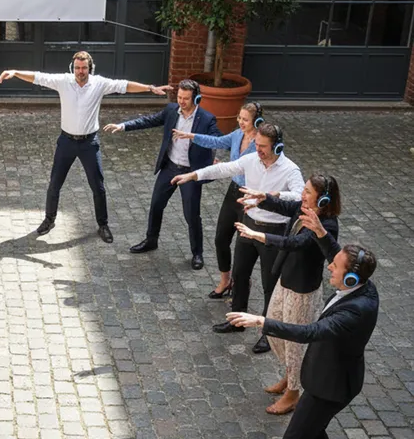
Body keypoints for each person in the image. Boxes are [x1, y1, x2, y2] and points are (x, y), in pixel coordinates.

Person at [226, 238, 379, 439]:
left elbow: (310, 332)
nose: (329, 267)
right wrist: (321, 233)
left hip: (329, 387)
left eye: (335, 266)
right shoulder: (362, 285)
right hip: (329, 378)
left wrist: (261, 322)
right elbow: (336, 254)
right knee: (315, 433)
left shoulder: (354, 312)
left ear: (350, 277)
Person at [0, 53, 171, 243]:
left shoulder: (99, 83)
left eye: (84, 68)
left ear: (91, 68)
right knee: (55, 183)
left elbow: (124, 85)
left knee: (98, 186)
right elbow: (38, 76)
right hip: (66, 142)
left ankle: (103, 225)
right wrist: (14, 72)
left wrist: (150, 88)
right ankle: (49, 219)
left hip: (89, 143)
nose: (81, 72)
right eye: (78, 68)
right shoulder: (63, 81)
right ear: (73, 67)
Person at [170, 123, 304, 353]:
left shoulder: (290, 170)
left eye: (263, 146)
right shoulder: (251, 160)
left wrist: (271, 195)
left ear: (278, 147)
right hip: (248, 225)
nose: (258, 149)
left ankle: (268, 333)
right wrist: (193, 175)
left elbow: (299, 197)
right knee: (240, 275)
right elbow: (224, 169)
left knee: (269, 284)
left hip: (272, 233)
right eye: (257, 144)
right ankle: (237, 321)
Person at [234, 174, 341, 414]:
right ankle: (292, 375)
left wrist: (257, 235)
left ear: (323, 200)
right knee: (272, 330)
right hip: (285, 279)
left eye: (308, 192)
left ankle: (293, 392)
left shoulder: (327, 225)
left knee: (294, 343)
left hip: (302, 289)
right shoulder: (303, 208)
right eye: (303, 190)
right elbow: (284, 205)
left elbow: (297, 243)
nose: (302, 195)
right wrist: (263, 198)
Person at [104, 79, 222, 269]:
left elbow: (217, 139)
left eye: (186, 98)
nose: (181, 101)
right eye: (179, 97)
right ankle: (151, 240)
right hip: (170, 168)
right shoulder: (171, 111)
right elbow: (149, 120)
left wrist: (213, 156)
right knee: (156, 205)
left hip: (190, 173)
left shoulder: (207, 119)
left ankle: (197, 253)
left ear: (196, 98)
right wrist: (123, 126)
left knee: (191, 215)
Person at [169, 102, 260, 291]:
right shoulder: (237, 135)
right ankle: (225, 279)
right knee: (221, 239)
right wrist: (191, 136)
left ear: (257, 121)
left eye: (245, 119)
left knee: (244, 245)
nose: (241, 122)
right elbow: (217, 142)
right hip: (234, 191)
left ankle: (241, 285)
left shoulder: (262, 142)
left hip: (251, 196)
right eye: (239, 118)